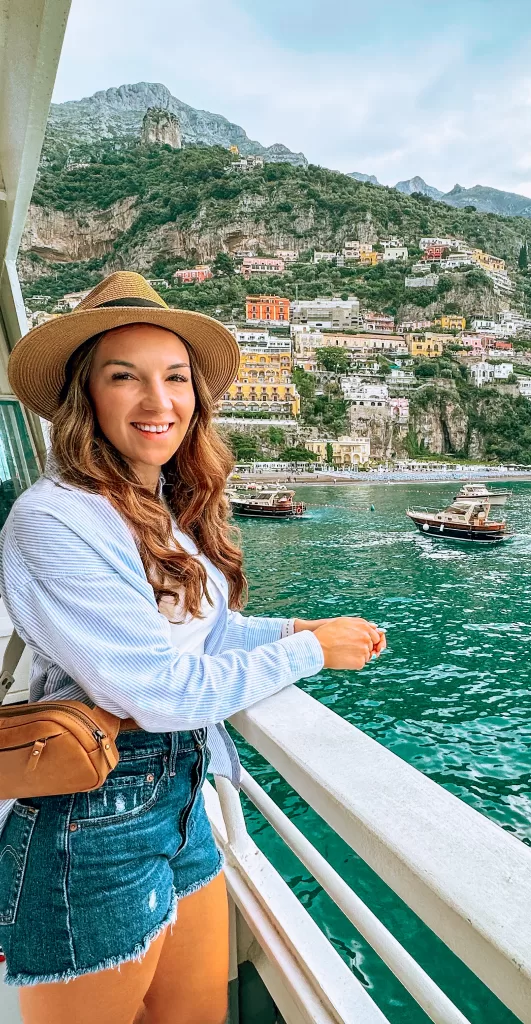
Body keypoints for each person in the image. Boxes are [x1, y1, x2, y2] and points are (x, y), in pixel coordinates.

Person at [0, 273, 385, 1024]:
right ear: (87, 397)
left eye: (175, 378)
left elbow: (203, 635)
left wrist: (295, 631)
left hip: (181, 793)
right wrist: (308, 657)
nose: (159, 401)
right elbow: (161, 691)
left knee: (198, 1015)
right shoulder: (54, 518)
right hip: (92, 818)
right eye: (126, 378)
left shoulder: (156, 512)